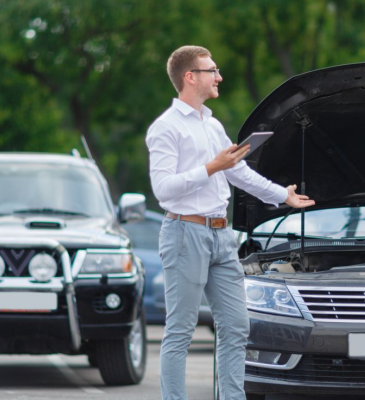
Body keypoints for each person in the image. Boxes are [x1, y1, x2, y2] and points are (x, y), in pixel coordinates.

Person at [145, 45, 314, 400]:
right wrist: (212, 167)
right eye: (212, 71)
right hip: (185, 233)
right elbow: (162, 189)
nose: (219, 77)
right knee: (180, 331)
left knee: (237, 327)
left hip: (223, 237)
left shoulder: (213, 123)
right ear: (191, 77)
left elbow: (239, 173)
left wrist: (283, 196)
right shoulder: (166, 128)